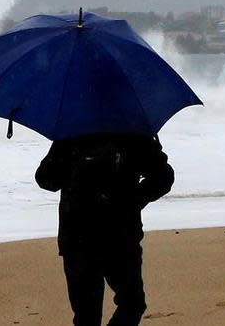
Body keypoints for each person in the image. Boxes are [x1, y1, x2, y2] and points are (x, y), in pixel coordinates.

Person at [35, 133, 174, 326]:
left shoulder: (72, 133)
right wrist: (134, 201)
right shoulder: (132, 132)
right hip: (103, 236)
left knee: (99, 312)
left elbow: (46, 179)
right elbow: (163, 177)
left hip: (93, 236)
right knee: (128, 304)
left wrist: (133, 202)